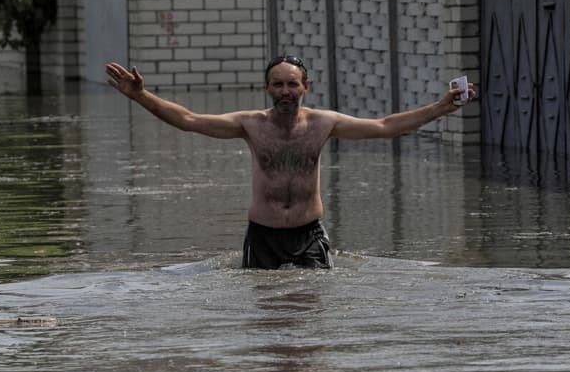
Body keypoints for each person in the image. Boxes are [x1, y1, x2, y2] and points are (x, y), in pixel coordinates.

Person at [105, 55, 476, 270]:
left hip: (309, 235)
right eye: (278, 85)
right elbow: (187, 120)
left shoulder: (323, 123)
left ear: (306, 87)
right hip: (262, 238)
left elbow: (384, 127)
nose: (285, 92)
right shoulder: (249, 124)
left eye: (292, 84)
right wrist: (140, 96)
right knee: (266, 316)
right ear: (267, 88)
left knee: (312, 313)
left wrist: (441, 107)